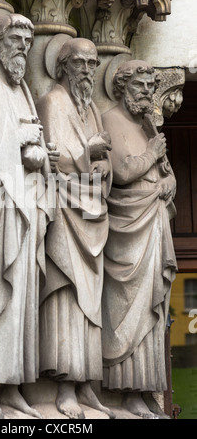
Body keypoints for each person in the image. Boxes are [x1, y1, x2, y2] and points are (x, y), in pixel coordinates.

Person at [0, 13, 53, 419]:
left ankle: (14, 384)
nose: (23, 49)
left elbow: (34, 142)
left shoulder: (23, 92)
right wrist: (18, 140)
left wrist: (41, 157)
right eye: (16, 40)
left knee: (23, 301)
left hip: (27, 205)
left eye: (28, 43)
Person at [36, 38, 114, 419]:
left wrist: (101, 165)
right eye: (80, 63)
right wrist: (90, 154)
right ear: (62, 65)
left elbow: (104, 160)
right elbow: (53, 157)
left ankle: (86, 386)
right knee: (67, 293)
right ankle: (63, 388)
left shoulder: (93, 110)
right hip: (66, 212)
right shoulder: (52, 102)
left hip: (93, 213)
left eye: (92, 63)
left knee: (90, 305)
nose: (87, 70)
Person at [101, 60, 177, 419]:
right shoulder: (110, 119)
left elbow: (168, 175)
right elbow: (122, 170)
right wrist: (152, 154)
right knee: (127, 308)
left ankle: (146, 391)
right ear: (121, 87)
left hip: (153, 221)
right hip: (127, 230)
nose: (147, 93)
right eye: (141, 86)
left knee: (151, 311)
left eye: (151, 86)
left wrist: (166, 183)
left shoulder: (147, 125)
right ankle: (125, 394)